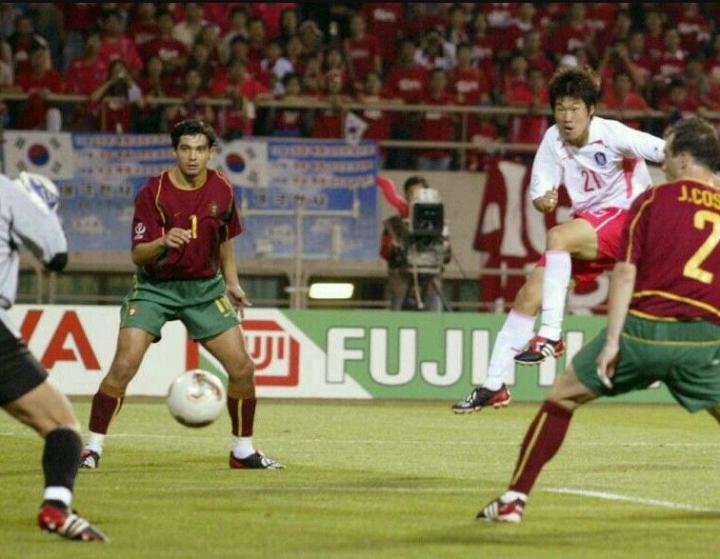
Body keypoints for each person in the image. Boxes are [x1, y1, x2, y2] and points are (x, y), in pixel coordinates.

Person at [477, 116, 720, 523]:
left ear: (683, 158)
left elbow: (623, 273)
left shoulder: (652, 201)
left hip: (643, 333)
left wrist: (612, 341)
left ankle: (513, 499)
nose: (662, 163)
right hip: (704, 341)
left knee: (562, 397)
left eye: (667, 154)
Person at [453, 67, 665, 413]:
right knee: (528, 295)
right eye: (560, 109)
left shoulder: (613, 134)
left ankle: (551, 334)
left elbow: (665, 151)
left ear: (591, 109)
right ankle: (494, 384)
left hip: (630, 220)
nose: (567, 117)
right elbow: (540, 191)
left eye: (575, 109)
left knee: (558, 236)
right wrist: (544, 201)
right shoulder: (553, 139)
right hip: (592, 229)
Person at [79, 119, 282, 470]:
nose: (192, 156)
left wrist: (232, 282)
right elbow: (138, 255)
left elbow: (225, 239)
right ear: (175, 151)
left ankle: (242, 451)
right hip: (155, 289)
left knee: (243, 368)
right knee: (124, 365)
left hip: (204, 290)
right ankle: (92, 448)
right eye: (185, 149)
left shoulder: (222, 188)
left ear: (210, 152)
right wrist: (162, 241)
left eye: (200, 149)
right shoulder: (153, 192)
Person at [0, 172, 107, 541]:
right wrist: (37, 205)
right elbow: (57, 256)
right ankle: (56, 509)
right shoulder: (10, 192)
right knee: (62, 426)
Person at [380, 176, 451, 311]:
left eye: (420, 192)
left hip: (431, 277)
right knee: (397, 298)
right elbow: (385, 252)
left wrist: (442, 246)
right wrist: (394, 247)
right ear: (406, 196)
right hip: (401, 277)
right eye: (412, 193)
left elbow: (447, 257)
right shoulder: (396, 224)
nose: (416, 197)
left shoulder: (437, 224)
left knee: (434, 299)